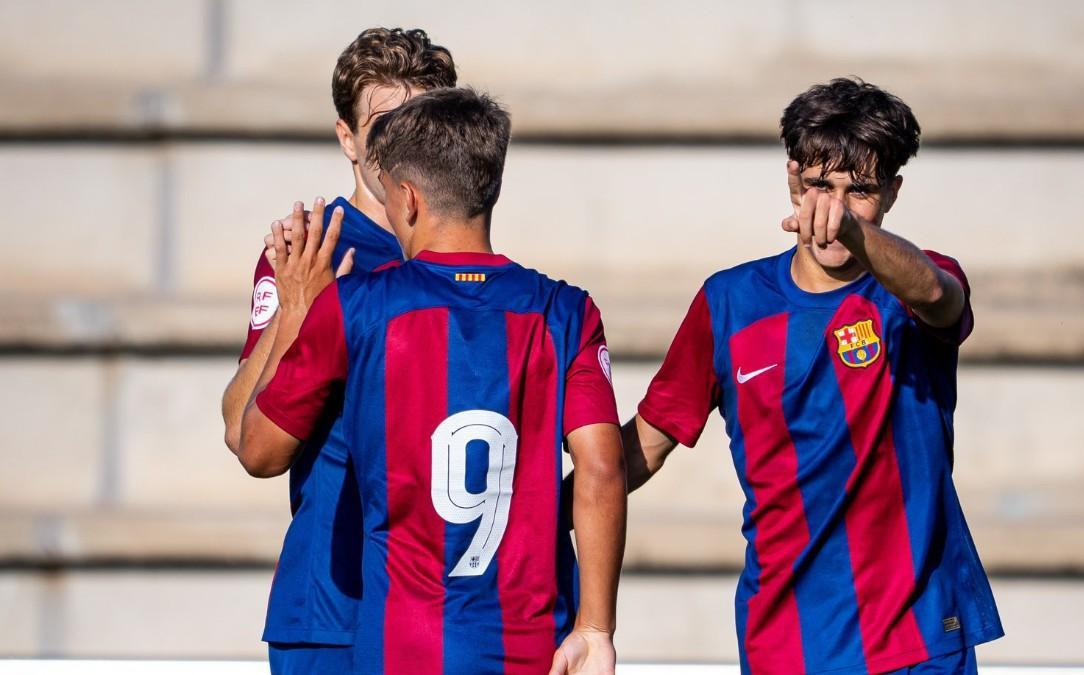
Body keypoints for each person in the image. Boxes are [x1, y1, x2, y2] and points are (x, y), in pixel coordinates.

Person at [238, 88, 627, 675]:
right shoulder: (564, 310)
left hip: (401, 646)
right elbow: (602, 467)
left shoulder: (357, 306)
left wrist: (296, 308)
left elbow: (259, 451)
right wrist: (596, 629)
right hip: (530, 644)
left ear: (408, 198)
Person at [620, 78, 1003, 673]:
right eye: (822, 186)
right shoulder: (730, 302)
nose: (834, 209)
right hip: (787, 641)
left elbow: (936, 293)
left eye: (861, 192)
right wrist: (545, 507)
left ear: (893, 194)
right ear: (794, 178)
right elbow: (646, 443)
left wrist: (858, 234)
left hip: (918, 637)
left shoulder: (911, 290)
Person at [219, 27, 457, 674]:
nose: (405, 141)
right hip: (333, 611)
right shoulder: (313, 250)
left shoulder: (461, 258)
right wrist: (301, 307)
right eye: (384, 123)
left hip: (445, 605)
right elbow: (239, 420)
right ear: (347, 138)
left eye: (424, 118)